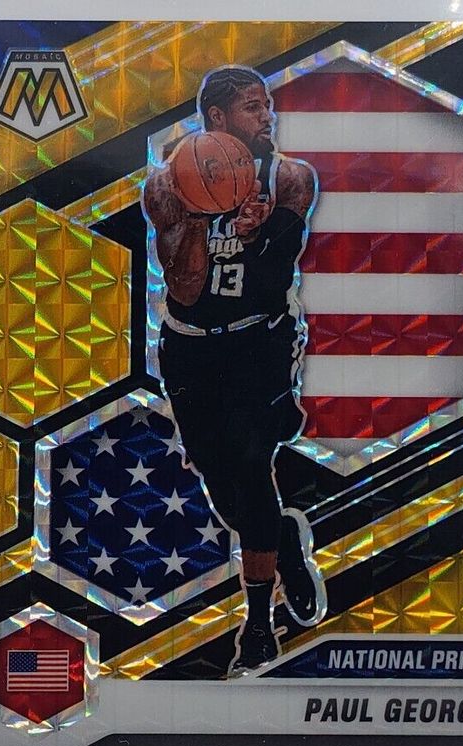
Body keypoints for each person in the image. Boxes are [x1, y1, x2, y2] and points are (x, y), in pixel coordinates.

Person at [143, 65, 327, 674]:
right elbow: (186, 289)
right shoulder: (167, 186)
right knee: (223, 486)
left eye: (267, 104)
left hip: (260, 341)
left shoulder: (291, 178)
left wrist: (258, 234)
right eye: (253, 107)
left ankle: (258, 623)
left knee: (252, 469)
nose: (267, 116)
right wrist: (201, 216)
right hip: (192, 345)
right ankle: (283, 541)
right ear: (217, 118)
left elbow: (274, 277)